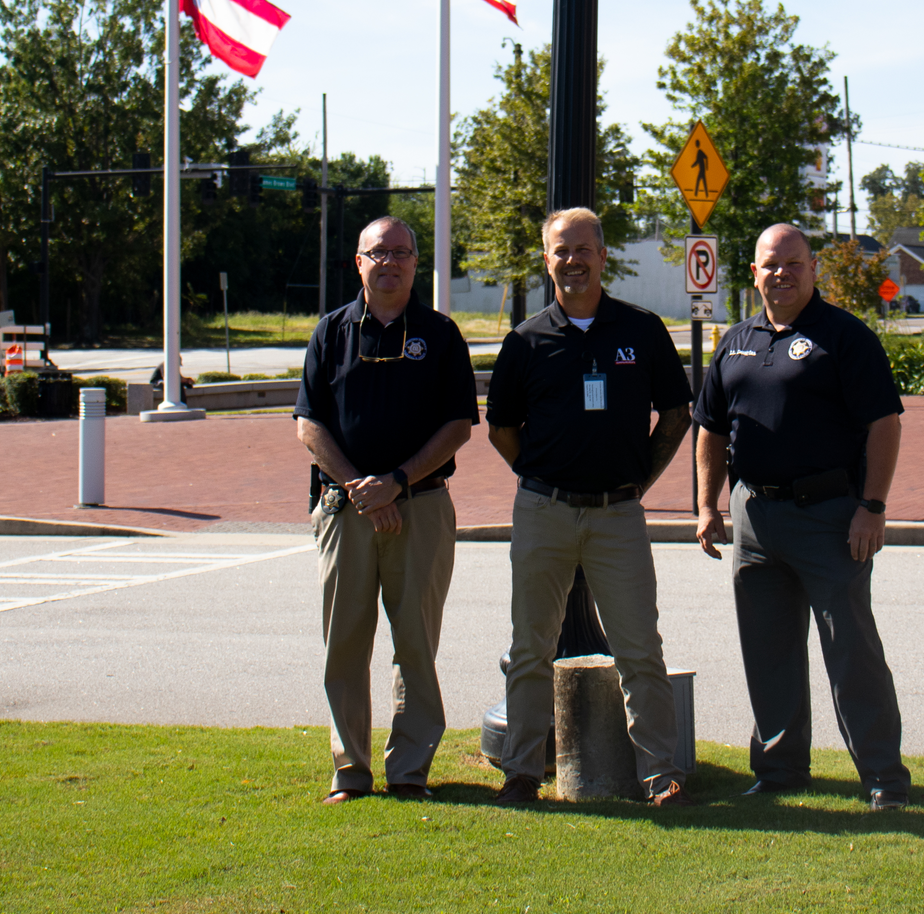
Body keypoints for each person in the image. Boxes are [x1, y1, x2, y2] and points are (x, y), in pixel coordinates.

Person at [694, 223, 913, 811]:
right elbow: (711, 428)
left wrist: (872, 507)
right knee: (768, 652)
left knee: (851, 652)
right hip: (754, 517)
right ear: (755, 273)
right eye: (771, 264)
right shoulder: (736, 340)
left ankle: (883, 779)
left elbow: (884, 424)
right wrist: (707, 505)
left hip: (831, 516)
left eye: (794, 263)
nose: (782, 273)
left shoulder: (845, 337)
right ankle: (780, 770)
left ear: (813, 268)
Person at [484, 207, 695, 807]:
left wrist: (637, 482)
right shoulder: (526, 341)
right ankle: (522, 772)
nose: (572, 261)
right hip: (543, 512)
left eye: (583, 250)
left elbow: (676, 415)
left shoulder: (642, 329)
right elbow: (501, 427)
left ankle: (660, 776)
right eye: (560, 250)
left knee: (639, 648)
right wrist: (539, 477)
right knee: (531, 647)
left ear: (604, 256)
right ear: (545, 259)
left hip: (618, 515)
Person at [294, 215, 477, 804]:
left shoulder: (441, 334)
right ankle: (350, 771)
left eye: (401, 253)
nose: (390, 263)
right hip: (345, 511)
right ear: (359, 262)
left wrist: (396, 483)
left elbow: (458, 427)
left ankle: (409, 773)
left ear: (416, 263)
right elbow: (308, 424)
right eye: (378, 253)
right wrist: (360, 489)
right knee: (344, 643)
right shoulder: (331, 332)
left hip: (420, 508)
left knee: (416, 644)